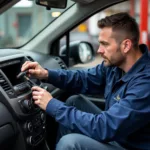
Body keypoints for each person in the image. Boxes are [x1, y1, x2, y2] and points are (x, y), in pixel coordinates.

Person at [21, 12, 150, 150]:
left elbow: (105, 127)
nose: (99, 50)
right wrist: (46, 74)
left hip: (130, 146)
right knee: (74, 101)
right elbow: (83, 79)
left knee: (70, 143)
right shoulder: (114, 67)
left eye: (105, 44)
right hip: (119, 136)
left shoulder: (145, 83)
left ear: (126, 46)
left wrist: (52, 104)